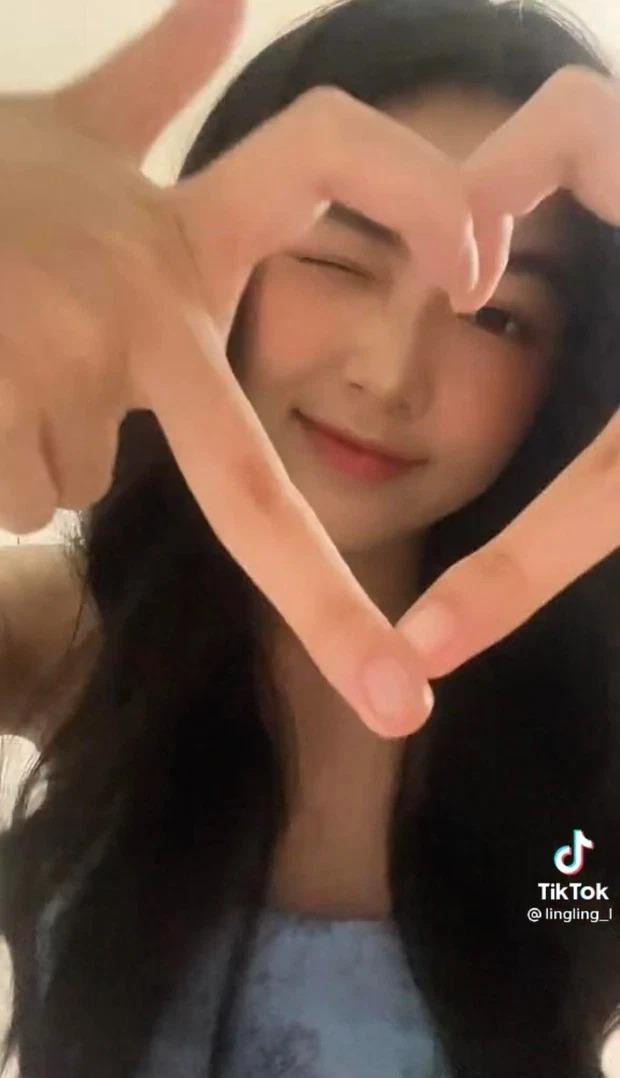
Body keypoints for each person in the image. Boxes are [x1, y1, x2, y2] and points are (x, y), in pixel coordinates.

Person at [0, 0, 618, 1074]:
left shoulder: (595, 719)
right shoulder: (72, 635)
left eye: (496, 315)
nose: (388, 371)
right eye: (340, 260)